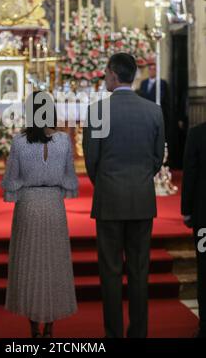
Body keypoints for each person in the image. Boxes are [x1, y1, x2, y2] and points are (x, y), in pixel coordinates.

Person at [83, 53, 165, 338]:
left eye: (106, 73)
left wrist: (105, 183)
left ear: (114, 75)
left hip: (109, 201)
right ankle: (139, 333)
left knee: (110, 271)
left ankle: (114, 334)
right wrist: (141, 179)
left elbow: (91, 160)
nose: (105, 77)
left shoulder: (98, 111)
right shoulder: (153, 111)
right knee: (140, 271)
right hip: (142, 199)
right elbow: (157, 158)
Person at [1, 90, 78, 338]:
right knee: (54, 265)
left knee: (30, 266)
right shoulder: (65, 141)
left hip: (29, 205)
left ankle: (34, 326)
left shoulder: (19, 141)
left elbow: (11, 180)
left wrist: (14, 193)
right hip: (54, 204)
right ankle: (51, 327)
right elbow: (69, 177)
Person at [181, 123, 206, 338]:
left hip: (204, 219)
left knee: (204, 268)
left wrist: (187, 211)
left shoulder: (198, 133)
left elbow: (190, 173)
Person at [139, 62, 170, 139]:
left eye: (154, 69)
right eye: (150, 69)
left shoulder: (162, 83)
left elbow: (161, 97)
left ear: (157, 71)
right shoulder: (144, 83)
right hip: (145, 113)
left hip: (156, 111)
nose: (152, 71)